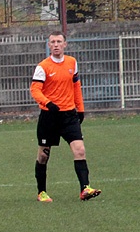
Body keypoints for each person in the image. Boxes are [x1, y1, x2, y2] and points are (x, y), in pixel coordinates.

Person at [31, 32, 101, 202]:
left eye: (59, 41)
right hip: (50, 116)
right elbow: (35, 90)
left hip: (69, 116)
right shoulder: (43, 67)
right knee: (43, 156)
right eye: (53, 42)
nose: (56, 44)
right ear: (49, 45)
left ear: (65, 44)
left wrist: (80, 108)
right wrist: (48, 103)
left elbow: (76, 86)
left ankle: (85, 189)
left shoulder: (72, 63)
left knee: (80, 150)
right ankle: (42, 192)